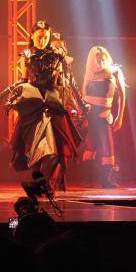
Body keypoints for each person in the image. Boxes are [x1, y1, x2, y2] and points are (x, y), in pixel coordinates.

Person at [6, 21, 81, 188]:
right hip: (34, 105)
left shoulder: (57, 54)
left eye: (45, 37)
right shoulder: (26, 55)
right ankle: (40, 183)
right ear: (32, 36)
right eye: (39, 37)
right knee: (34, 148)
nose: (42, 40)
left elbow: (67, 81)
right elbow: (23, 81)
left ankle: (46, 183)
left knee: (56, 147)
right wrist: (13, 99)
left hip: (53, 103)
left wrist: (76, 102)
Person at [81, 46, 126, 188]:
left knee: (107, 147)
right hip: (90, 117)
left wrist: (120, 116)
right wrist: (83, 117)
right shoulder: (89, 74)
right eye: (97, 58)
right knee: (90, 147)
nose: (101, 60)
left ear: (107, 57)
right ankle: (89, 179)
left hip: (104, 116)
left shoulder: (115, 72)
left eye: (103, 57)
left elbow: (122, 95)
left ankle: (105, 180)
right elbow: (83, 98)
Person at [50, 32, 89, 190]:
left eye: (60, 45)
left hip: (66, 109)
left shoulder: (67, 67)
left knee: (65, 145)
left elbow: (73, 85)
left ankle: (60, 178)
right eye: (55, 45)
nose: (58, 48)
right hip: (51, 109)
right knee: (54, 146)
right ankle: (53, 179)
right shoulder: (47, 65)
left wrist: (82, 104)